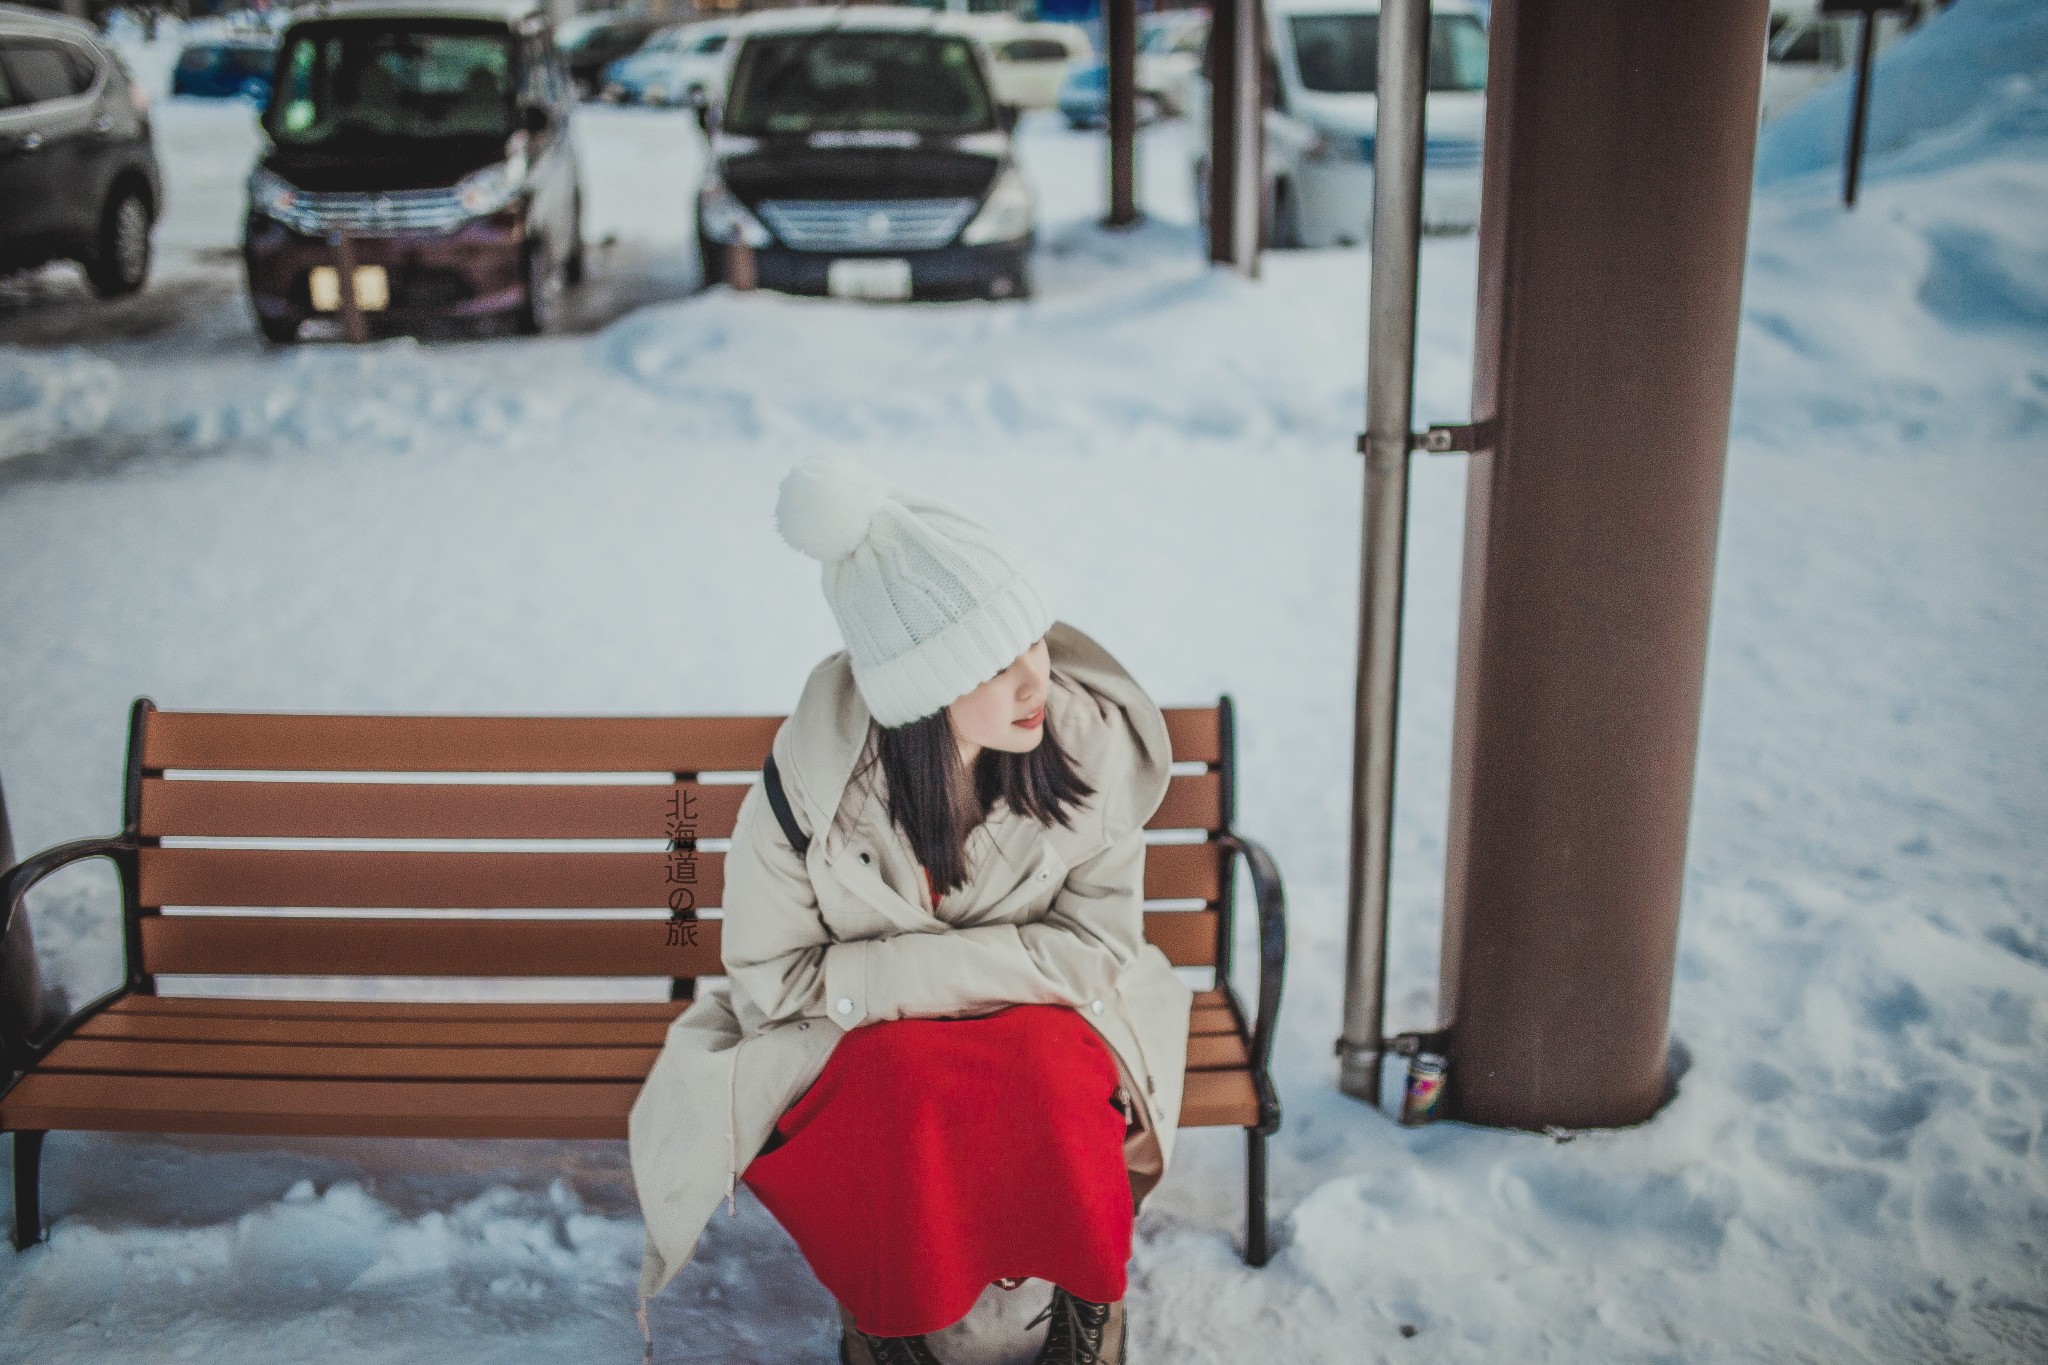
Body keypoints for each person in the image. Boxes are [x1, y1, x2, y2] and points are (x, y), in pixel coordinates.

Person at [629, 454, 1192, 1365]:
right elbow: (771, 981)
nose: (1032, 682)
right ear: (920, 692)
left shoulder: (1086, 752)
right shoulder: (809, 790)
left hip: (1043, 1023)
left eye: (1033, 643)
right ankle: (895, 1324)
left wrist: (877, 976)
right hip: (854, 1053)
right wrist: (975, 979)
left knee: (1045, 1061)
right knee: (904, 1073)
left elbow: (1095, 947)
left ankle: (1086, 1313)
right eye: (993, 664)